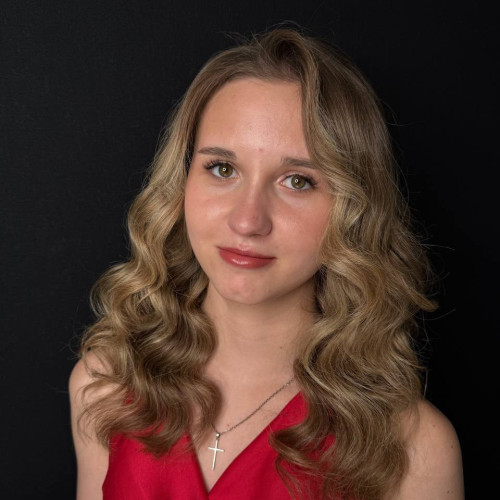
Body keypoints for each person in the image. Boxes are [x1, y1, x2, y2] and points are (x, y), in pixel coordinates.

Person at [69, 28, 464, 500]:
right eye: (222, 169)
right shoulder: (105, 386)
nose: (247, 220)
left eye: (297, 180)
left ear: (353, 209)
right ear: (181, 182)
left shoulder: (413, 449)